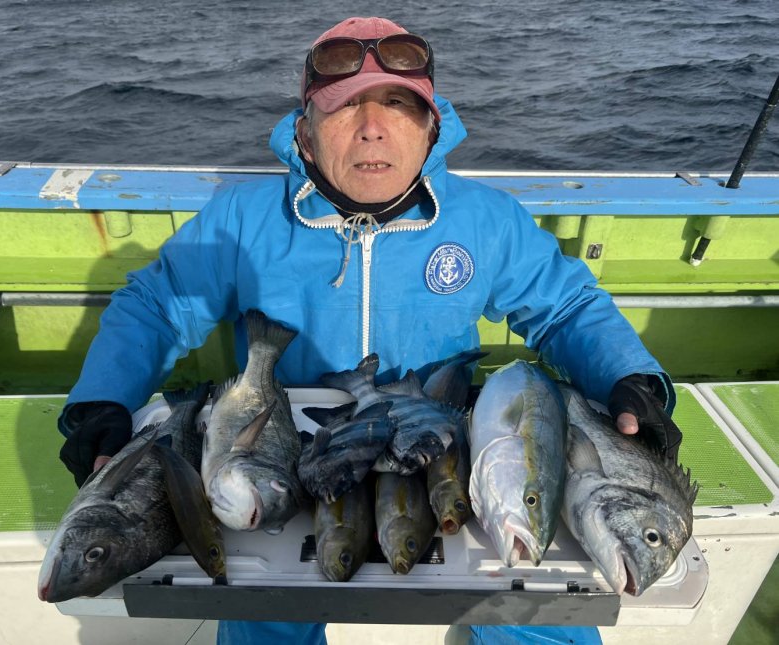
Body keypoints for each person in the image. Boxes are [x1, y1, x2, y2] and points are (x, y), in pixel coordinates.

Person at [57, 16, 683, 645]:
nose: (373, 127)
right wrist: (102, 400)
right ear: (305, 133)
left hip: (444, 449)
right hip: (285, 455)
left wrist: (629, 378)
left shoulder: (485, 220)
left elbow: (566, 307)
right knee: (264, 614)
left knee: (541, 617)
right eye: (344, 106)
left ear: (431, 128)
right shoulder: (244, 221)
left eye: (398, 105)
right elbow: (157, 304)